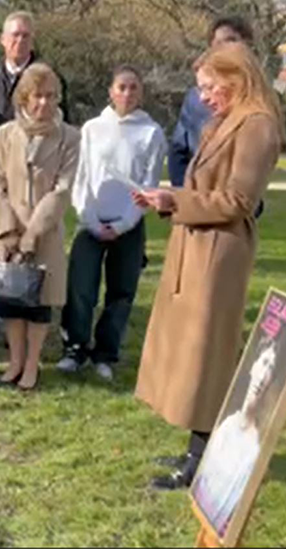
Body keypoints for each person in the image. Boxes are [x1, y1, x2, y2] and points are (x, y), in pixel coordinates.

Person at [133, 42, 284, 490]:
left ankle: (200, 459)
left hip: (220, 253)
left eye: (209, 86)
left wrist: (174, 199)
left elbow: (239, 200)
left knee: (208, 356)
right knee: (191, 354)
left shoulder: (257, 125)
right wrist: (171, 198)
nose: (203, 97)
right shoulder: (225, 122)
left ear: (234, 78)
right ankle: (197, 447)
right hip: (197, 245)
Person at [56, 66, 166, 381]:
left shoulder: (152, 132)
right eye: (121, 87)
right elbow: (81, 178)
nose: (127, 93)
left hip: (128, 226)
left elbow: (148, 185)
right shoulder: (92, 129)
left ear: (141, 93)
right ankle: (74, 348)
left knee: (120, 292)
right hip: (91, 222)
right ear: (111, 91)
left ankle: (105, 352)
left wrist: (123, 224)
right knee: (80, 288)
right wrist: (87, 217)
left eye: (133, 87)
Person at [0, 11, 70, 340]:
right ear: (2, 39)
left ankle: (28, 318)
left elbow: (62, 127)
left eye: (25, 35)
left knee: (34, 253)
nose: (19, 41)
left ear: (32, 40)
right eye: (14, 35)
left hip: (37, 191)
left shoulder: (48, 77)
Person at [0, 63, 79, 392]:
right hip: (7, 231)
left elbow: (62, 190)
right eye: (37, 96)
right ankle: (15, 362)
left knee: (38, 304)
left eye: (50, 96)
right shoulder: (6, 134)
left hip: (44, 232)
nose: (44, 103)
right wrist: (8, 231)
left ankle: (33, 364)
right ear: (24, 97)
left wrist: (32, 235)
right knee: (10, 299)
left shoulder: (70, 137)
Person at [192, 341, 278, 538]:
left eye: (271, 368)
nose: (263, 374)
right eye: (263, 362)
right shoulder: (227, 425)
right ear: (253, 366)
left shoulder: (253, 448)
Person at [169, 16, 253, 189]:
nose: (224, 47)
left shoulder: (255, 97)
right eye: (218, 42)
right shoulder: (195, 99)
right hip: (196, 200)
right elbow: (179, 149)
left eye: (231, 40)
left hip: (235, 202)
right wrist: (181, 193)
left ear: (246, 44)